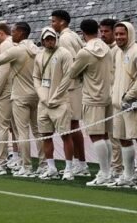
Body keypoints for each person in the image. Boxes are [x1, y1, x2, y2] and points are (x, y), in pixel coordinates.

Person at [67, 18, 114, 186]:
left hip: (92, 95)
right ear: (98, 31)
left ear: (82, 33)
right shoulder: (107, 47)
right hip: (108, 94)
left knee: (96, 135)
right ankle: (109, 170)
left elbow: (72, 73)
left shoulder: (85, 51)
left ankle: (105, 172)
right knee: (105, 135)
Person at [0, 22, 39, 177]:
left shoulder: (16, 50)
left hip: (20, 95)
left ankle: (26, 166)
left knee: (21, 132)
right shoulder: (36, 49)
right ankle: (44, 165)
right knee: (38, 131)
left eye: (14, 31)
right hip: (36, 94)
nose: (12, 34)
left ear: (21, 32)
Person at [109, 22, 137, 190]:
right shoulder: (118, 53)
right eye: (117, 34)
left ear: (130, 34)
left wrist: (129, 96)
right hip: (119, 104)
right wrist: (115, 95)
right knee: (123, 138)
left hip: (135, 103)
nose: (119, 37)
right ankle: (129, 175)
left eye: (122, 34)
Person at [33, 27, 75, 180]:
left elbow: (68, 76)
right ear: (43, 40)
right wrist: (43, 96)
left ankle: (69, 168)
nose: (49, 41)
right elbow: (36, 77)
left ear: (56, 38)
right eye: (46, 39)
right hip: (43, 103)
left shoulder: (64, 54)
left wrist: (56, 96)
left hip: (60, 102)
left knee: (65, 135)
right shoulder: (39, 56)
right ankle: (51, 167)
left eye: (51, 38)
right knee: (45, 135)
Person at [52, 10, 87, 178]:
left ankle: (78, 164)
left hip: (71, 87)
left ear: (62, 22)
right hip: (75, 86)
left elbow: (72, 64)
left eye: (54, 21)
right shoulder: (73, 36)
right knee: (74, 126)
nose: (52, 24)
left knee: (71, 126)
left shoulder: (65, 39)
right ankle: (81, 163)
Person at [0, 22, 18, 176]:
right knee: (16, 126)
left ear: (0, 33)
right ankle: (17, 159)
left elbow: (4, 70)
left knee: (2, 126)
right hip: (14, 88)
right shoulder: (13, 43)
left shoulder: (6, 44)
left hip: (6, 89)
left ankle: (1, 162)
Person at [99, 17, 124, 179]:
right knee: (109, 135)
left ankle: (118, 168)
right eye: (101, 31)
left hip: (117, 96)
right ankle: (113, 167)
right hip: (106, 96)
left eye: (106, 31)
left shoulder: (117, 50)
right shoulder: (103, 48)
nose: (103, 34)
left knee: (117, 136)